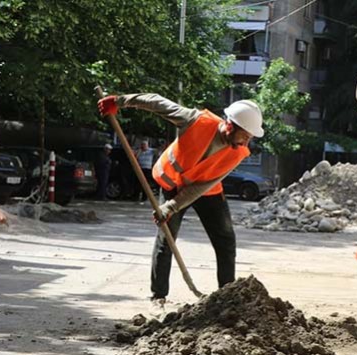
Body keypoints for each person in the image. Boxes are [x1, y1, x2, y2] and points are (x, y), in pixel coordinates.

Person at [97, 94, 263, 317]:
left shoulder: (239, 152)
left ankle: (226, 296)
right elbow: (157, 102)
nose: (246, 142)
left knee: (226, 240)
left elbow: (203, 185)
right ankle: (158, 296)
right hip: (173, 183)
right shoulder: (195, 120)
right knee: (166, 238)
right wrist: (121, 101)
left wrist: (172, 206)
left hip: (206, 191)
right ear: (230, 125)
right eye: (245, 136)